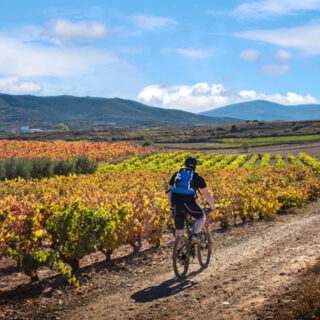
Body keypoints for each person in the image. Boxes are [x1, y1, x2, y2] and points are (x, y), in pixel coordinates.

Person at [168, 157, 215, 244]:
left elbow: (170, 191)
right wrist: (213, 206)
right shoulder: (197, 177)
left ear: (185, 164)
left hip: (175, 203)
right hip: (188, 203)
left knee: (179, 230)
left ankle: (179, 252)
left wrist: (171, 206)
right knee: (201, 217)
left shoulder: (176, 175)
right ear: (195, 166)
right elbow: (206, 194)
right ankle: (195, 235)